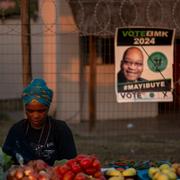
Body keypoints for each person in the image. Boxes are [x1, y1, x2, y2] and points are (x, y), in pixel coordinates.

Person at [2, 78, 77, 166]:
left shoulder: (60, 130)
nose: (36, 116)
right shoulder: (17, 130)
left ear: (48, 108)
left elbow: (71, 164)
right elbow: (5, 160)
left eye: (41, 111)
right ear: (25, 109)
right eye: (30, 111)